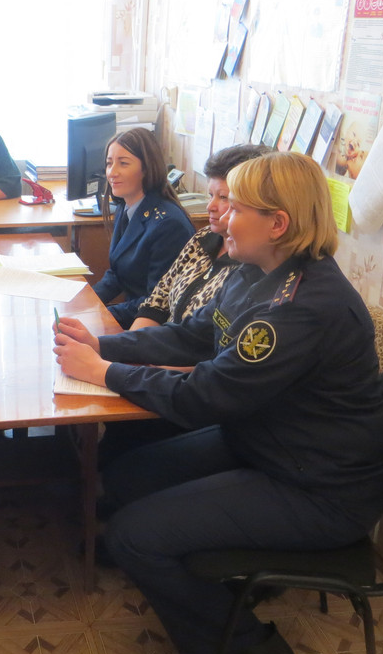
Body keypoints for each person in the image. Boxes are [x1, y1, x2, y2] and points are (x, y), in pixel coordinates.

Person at [53, 151, 383, 654]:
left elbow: (202, 396)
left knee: (133, 536)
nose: (220, 217)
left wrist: (103, 373)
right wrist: (103, 346)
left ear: (277, 224)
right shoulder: (254, 270)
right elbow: (192, 336)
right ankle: (213, 581)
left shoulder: (300, 309)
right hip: (267, 443)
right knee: (127, 476)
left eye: (234, 207)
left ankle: (251, 653)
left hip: (318, 488)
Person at [97, 143, 269, 467]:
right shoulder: (203, 240)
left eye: (227, 199)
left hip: (187, 386)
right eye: (211, 195)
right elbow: (158, 302)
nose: (212, 207)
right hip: (163, 365)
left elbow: (213, 364)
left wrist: (134, 369)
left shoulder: (252, 269)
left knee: (121, 459)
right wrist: (127, 353)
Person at [92, 127, 194, 328]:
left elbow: (158, 301)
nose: (112, 172)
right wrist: (86, 302)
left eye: (123, 163)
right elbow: (118, 274)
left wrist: (101, 314)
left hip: (153, 326)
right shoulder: (127, 206)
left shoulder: (168, 225)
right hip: (131, 315)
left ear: (147, 168)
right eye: (109, 163)